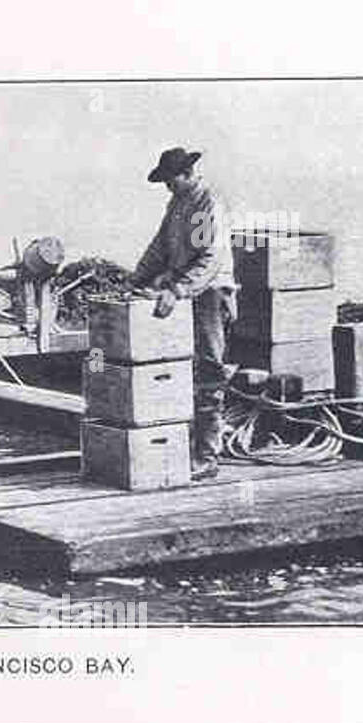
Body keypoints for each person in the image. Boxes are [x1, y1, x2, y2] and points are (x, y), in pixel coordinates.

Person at [130, 147, 237, 481]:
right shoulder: (177, 203)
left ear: (187, 174)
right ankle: (187, 448)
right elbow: (160, 246)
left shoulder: (206, 203)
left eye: (170, 180)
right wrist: (137, 278)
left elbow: (208, 259)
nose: (167, 187)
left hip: (208, 295)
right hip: (185, 292)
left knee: (209, 370)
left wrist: (176, 290)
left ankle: (207, 456)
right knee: (182, 370)